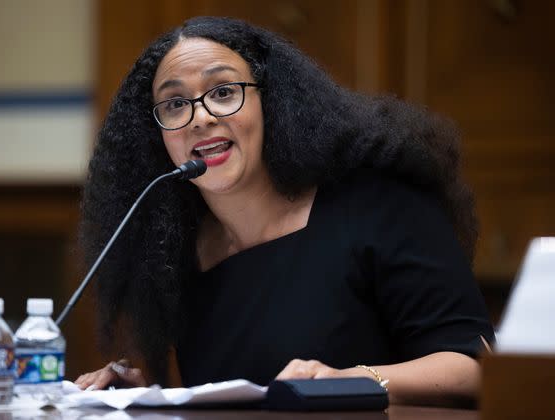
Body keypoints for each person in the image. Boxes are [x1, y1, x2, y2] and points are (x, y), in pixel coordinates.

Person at [74, 16, 494, 406]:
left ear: (272, 103)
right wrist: (142, 394)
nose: (199, 118)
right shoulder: (174, 255)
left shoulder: (380, 206)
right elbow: (242, 392)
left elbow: (472, 366)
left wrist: (351, 380)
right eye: (175, 104)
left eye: (223, 92)